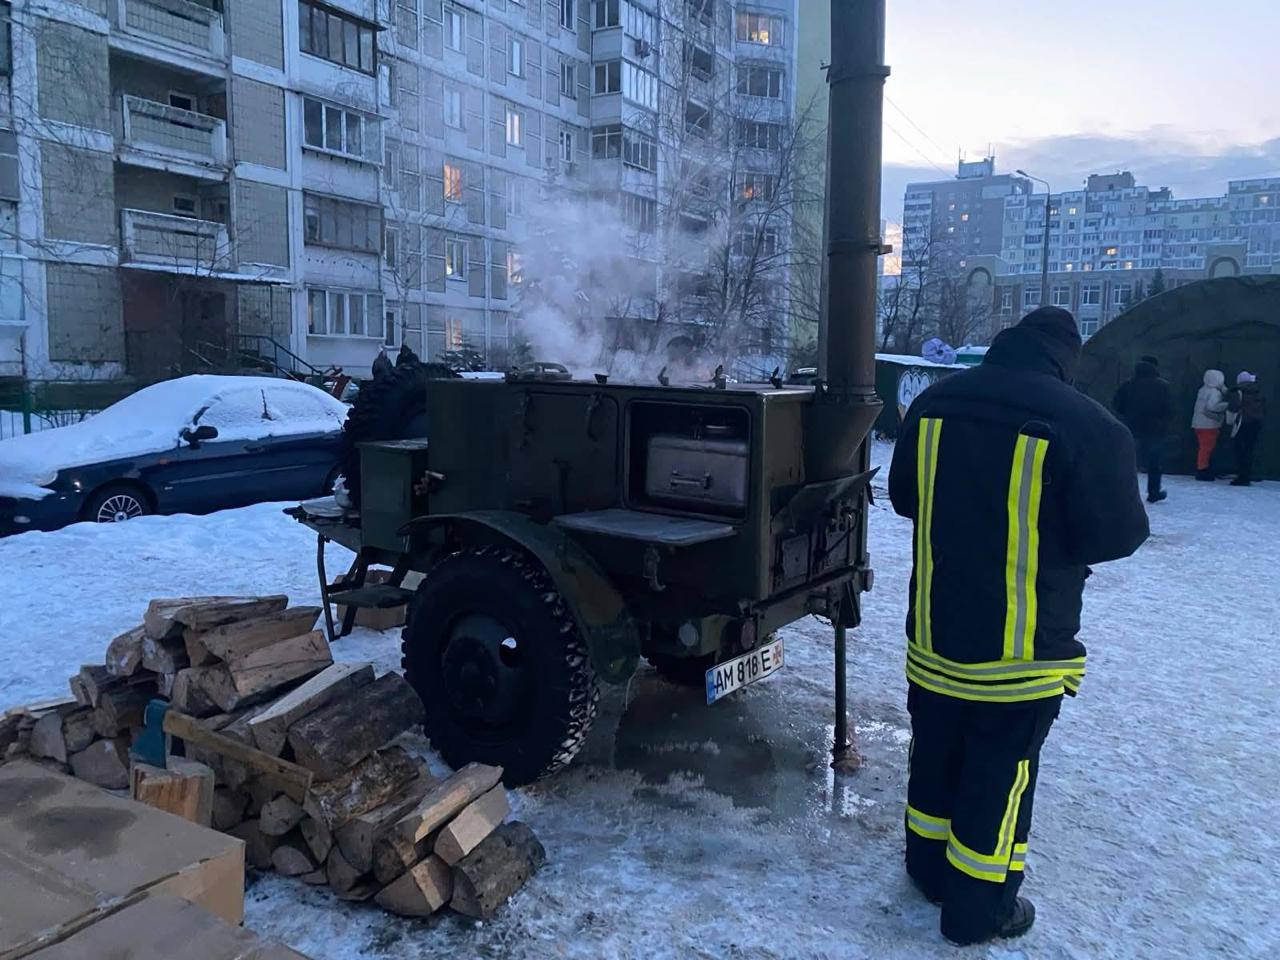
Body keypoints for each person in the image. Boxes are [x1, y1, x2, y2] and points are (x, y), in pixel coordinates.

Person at [888, 307, 1149, 946]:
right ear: (1067, 357)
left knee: (936, 753)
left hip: (934, 634)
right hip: (1019, 651)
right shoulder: (1088, 426)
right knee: (999, 774)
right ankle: (978, 911)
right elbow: (1119, 535)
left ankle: (927, 871)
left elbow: (902, 498)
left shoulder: (932, 405)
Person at [1113, 358, 1172, 503]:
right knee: (1155, 464)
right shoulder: (1162, 386)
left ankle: (1122, 492)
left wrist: (1128, 415)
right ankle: (1153, 492)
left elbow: (1116, 404)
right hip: (1155, 430)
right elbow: (1169, 409)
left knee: (1128, 461)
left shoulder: (1128, 385)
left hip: (1131, 428)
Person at [1228, 372, 1267, 486]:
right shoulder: (1258, 391)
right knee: (1249, 450)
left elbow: (1233, 407)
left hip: (1242, 423)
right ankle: (1247, 475)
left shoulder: (1238, 392)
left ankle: (1242, 477)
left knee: (1241, 450)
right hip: (1256, 424)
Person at [1191, 370, 1230, 480]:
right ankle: (1202, 470)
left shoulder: (1202, 390)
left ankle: (1202, 468)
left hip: (1198, 424)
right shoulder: (1214, 392)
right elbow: (1213, 407)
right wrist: (1227, 405)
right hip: (1209, 425)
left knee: (1203, 448)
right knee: (1207, 448)